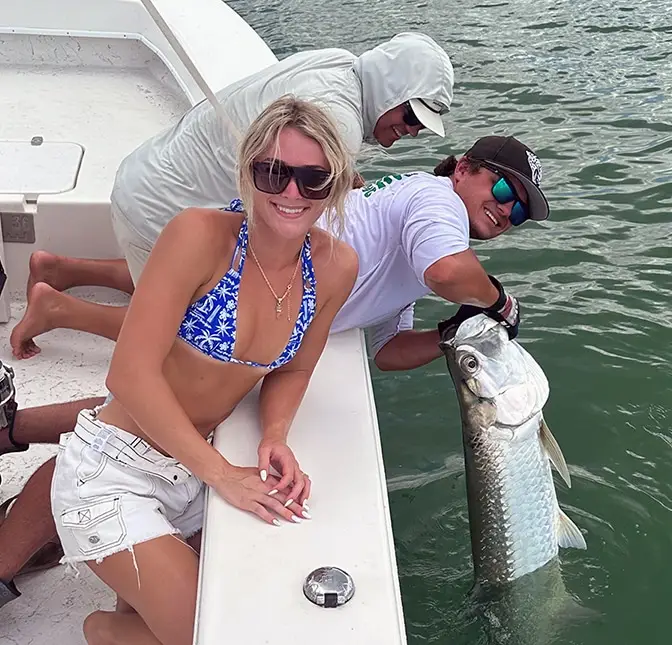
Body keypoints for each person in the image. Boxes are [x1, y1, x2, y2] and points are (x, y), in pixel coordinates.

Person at [0, 134, 549, 608]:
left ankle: (16, 432)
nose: (506, 211)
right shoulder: (436, 201)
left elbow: (388, 349)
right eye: (503, 191)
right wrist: (501, 302)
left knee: (180, 388)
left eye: (519, 211)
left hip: (186, 439)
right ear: (462, 169)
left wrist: (448, 336)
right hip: (138, 454)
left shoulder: (361, 260)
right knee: (152, 394)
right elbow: (451, 270)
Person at [30, 95, 359, 642]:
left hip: (193, 476)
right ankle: (102, 631)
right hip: (115, 473)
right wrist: (223, 474)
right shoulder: (200, 237)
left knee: (245, 612)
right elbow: (128, 375)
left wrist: (275, 435)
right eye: (273, 172)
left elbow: (294, 370)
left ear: (338, 185)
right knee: (212, 634)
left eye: (314, 179)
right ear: (249, 171)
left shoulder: (335, 267)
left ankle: (123, 626)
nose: (291, 192)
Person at [10, 31, 454, 359]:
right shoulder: (342, 121)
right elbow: (290, 230)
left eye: (419, 128)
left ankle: (61, 268)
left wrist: (341, 171)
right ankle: (57, 309)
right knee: (188, 335)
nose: (409, 133)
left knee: (188, 284)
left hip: (147, 176)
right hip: (165, 209)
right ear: (392, 88)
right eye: (411, 116)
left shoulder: (339, 63)